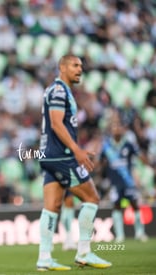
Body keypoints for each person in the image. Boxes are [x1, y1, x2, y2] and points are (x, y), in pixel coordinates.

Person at [37, 54, 111, 271]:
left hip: (49, 156)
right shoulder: (59, 90)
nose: (80, 69)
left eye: (81, 66)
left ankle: (44, 257)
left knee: (52, 207)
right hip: (61, 156)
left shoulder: (58, 90)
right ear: (62, 67)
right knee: (92, 198)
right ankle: (84, 252)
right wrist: (77, 150)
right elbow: (56, 124)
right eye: (74, 65)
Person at [100, 119, 149, 242]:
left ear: (122, 130)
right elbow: (100, 161)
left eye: (119, 127)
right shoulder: (107, 146)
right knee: (116, 206)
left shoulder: (128, 144)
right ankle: (120, 235)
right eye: (114, 127)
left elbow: (140, 155)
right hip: (115, 182)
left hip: (128, 181)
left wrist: (148, 163)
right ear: (111, 131)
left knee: (135, 205)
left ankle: (140, 232)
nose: (116, 130)